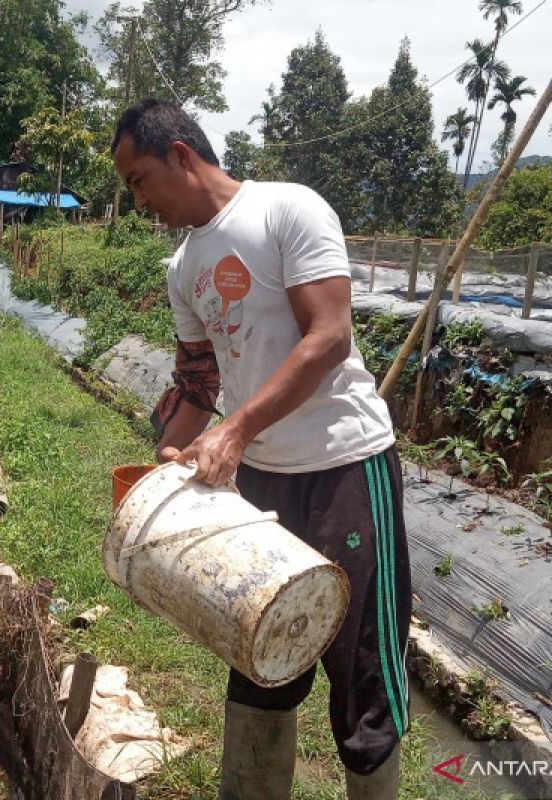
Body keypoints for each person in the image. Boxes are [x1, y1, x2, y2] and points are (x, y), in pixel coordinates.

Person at [110, 98, 411, 800]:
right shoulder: (183, 265)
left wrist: (236, 432)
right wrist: (162, 470)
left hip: (344, 468)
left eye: (139, 179)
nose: (138, 199)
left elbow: (329, 335)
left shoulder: (287, 210)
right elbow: (197, 380)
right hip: (263, 489)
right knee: (259, 655)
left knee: (362, 673)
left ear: (181, 154)